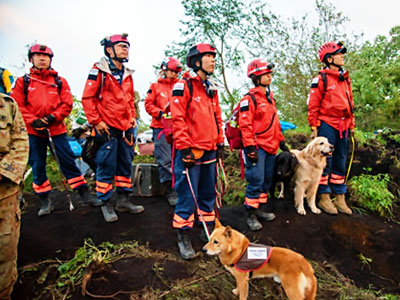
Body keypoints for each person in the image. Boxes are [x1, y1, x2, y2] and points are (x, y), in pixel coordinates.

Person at [11, 44, 100, 217]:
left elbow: (67, 104)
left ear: (51, 60)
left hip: (56, 129)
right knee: (37, 164)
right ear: (31, 59)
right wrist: (34, 121)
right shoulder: (23, 82)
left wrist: (52, 118)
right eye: (37, 56)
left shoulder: (59, 81)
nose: (42, 59)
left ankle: (84, 194)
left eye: (45, 56)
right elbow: (17, 105)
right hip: (33, 131)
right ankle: (45, 200)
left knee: (68, 161)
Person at [81, 33, 144, 222]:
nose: (125, 49)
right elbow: (87, 98)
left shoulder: (127, 73)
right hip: (106, 128)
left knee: (125, 164)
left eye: (127, 46)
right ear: (109, 50)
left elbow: (130, 99)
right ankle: (105, 202)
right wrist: (96, 121)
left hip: (125, 129)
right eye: (121, 46)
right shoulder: (99, 71)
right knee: (106, 165)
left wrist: (132, 117)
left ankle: (124, 200)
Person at [170, 43, 225, 260]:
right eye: (208, 56)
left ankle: (206, 230)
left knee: (208, 194)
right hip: (191, 152)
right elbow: (178, 118)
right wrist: (184, 148)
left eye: (213, 56)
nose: (213, 60)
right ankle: (183, 236)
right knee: (187, 197)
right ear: (195, 61)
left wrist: (220, 142)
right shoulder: (184, 86)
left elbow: (217, 116)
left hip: (210, 150)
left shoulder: (211, 87)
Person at [238, 59, 288, 231]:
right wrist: (250, 146)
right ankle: (249, 214)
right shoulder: (249, 99)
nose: (270, 77)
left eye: (270, 74)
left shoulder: (269, 99)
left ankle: (258, 209)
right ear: (256, 77)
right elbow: (245, 125)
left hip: (271, 146)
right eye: (266, 74)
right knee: (256, 180)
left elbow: (274, 122)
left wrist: (281, 140)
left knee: (267, 180)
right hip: (258, 146)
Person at [307, 41, 354, 215]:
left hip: (344, 125)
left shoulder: (344, 79)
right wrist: (314, 126)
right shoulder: (321, 79)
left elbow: (351, 104)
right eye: (339, 53)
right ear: (329, 58)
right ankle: (324, 196)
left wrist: (352, 124)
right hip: (327, 124)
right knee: (326, 160)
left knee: (341, 160)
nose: (342, 56)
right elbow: (313, 105)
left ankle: (340, 196)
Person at [0, 91, 28, 299]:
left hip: (4, 187)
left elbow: (19, 140)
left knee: (5, 247)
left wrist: (5, 172)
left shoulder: (6, 104)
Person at [145, 57, 182, 206]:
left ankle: (181, 188)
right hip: (160, 127)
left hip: (178, 128)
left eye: (176, 71)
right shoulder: (155, 87)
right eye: (171, 71)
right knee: (165, 159)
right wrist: (160, 113)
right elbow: (148, 105)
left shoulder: (181, 86)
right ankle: (170, 189)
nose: (173, 74)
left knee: (179, 159)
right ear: (164, 70)